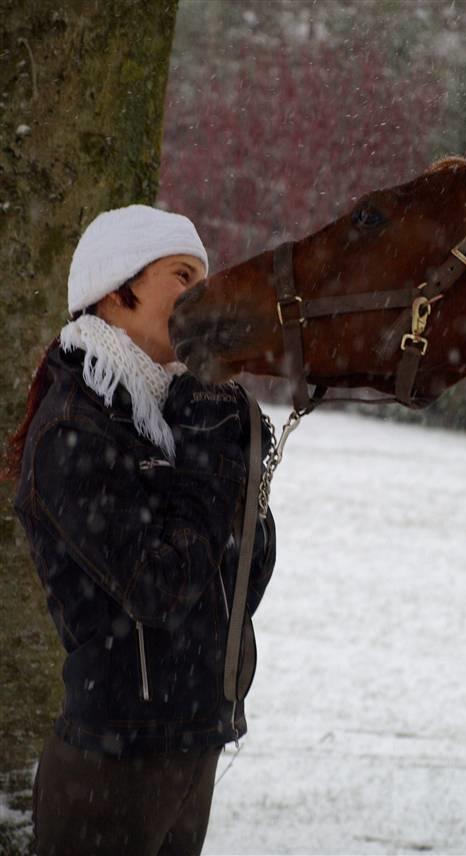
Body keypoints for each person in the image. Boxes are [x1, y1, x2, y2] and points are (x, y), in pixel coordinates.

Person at [4, 205, 276, 856]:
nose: (200, 296)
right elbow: (157, 588)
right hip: (112, 759)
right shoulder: (74, 430)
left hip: (193, 742)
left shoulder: (178, 416)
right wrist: (210, 464)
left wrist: (240, 456)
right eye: (183, 275)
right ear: (117, 288)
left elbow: (242, 581)